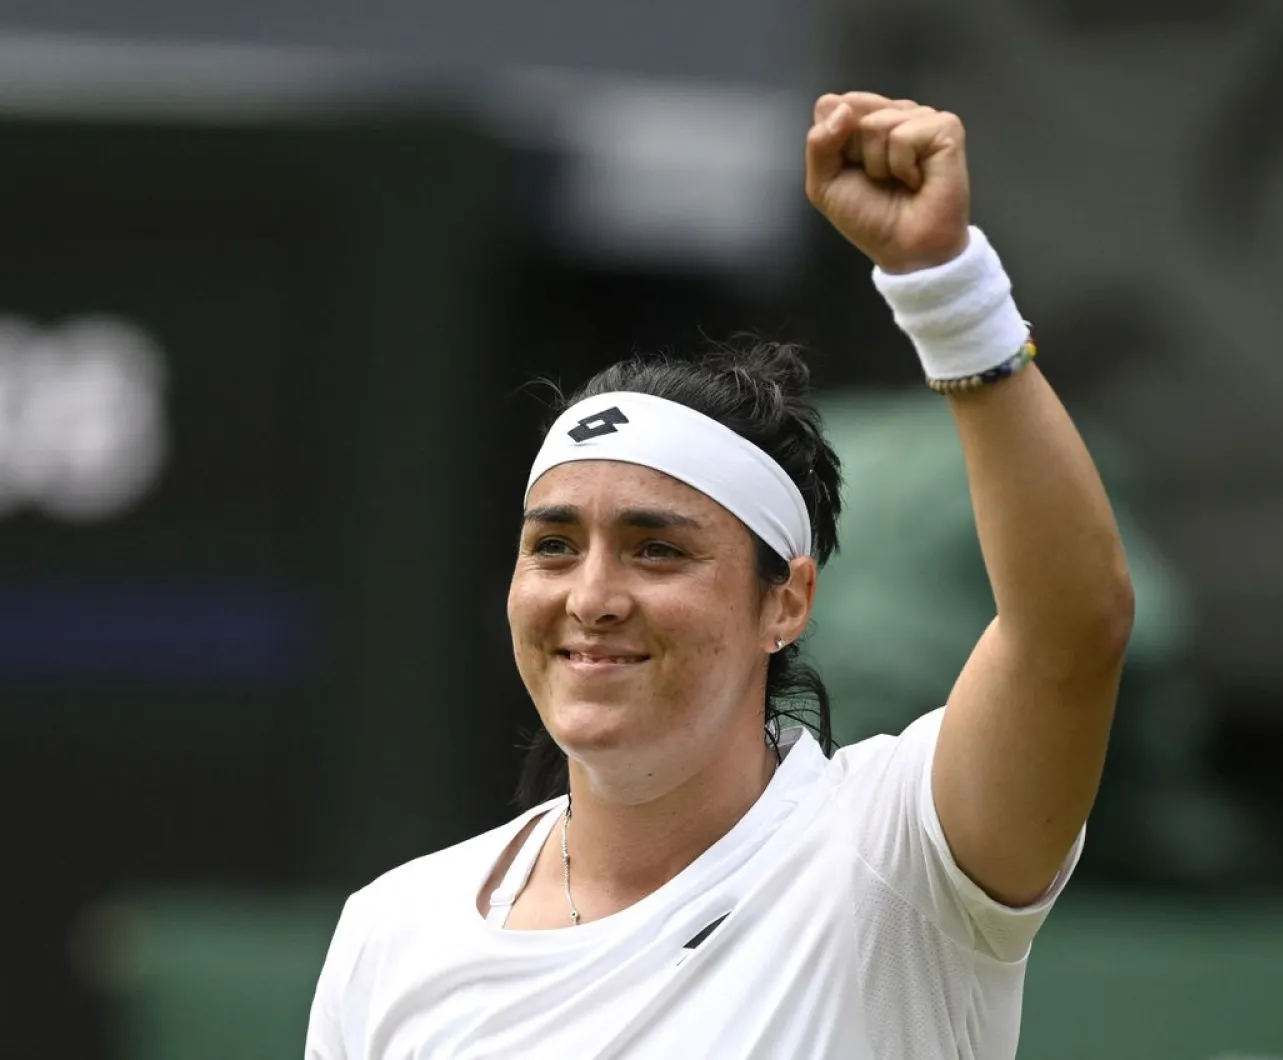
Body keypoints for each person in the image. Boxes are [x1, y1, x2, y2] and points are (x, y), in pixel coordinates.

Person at [305, 90, 1133, 1059]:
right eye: (555, 544)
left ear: (785, 600)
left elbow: (1070, 633)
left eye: (658, 548)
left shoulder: (896, 854)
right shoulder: (392, 934)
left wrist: (948, 290)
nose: (593, 596)